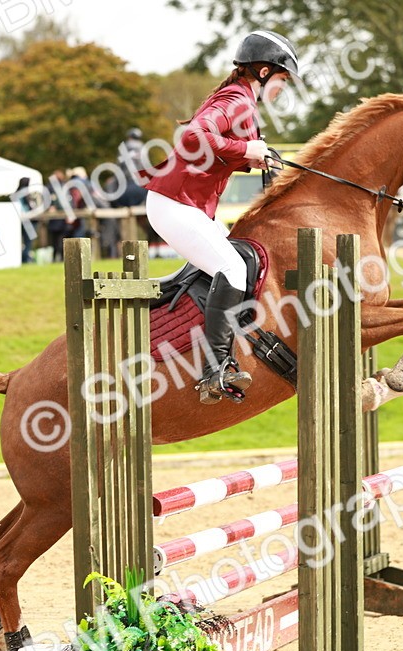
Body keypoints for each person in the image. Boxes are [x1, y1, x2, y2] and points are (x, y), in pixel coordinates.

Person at [144, 30, 299, 405]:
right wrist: (247, 148)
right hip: (174, 203)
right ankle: (215, 368)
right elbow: (195, 135)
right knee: (231, 270)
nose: (282, 89)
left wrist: (253, 155)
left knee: (232, 262)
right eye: (281, 79)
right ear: (263, 72)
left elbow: (218, 152)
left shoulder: (242, 101)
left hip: (185, 204)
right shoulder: (237, 99)